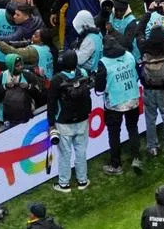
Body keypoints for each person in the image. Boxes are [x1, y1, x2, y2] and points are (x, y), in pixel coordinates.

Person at [95, 34, 143, 175]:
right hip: (132, 97)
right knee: (133, 128)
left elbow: (99, 87)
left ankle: (116, 165)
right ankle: (136, 158)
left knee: (114, 134)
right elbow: (138, 74)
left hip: (114, 103)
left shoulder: (103, 63)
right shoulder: (129, 55)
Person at [48, 51, 93, 192]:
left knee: (64, 154)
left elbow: (51, 103)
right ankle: (82, 180)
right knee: (81, 151)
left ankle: (64, 184)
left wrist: (51, 124)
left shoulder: (56, 80)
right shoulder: (84, 73)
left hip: (63, 122)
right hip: (82, 120)